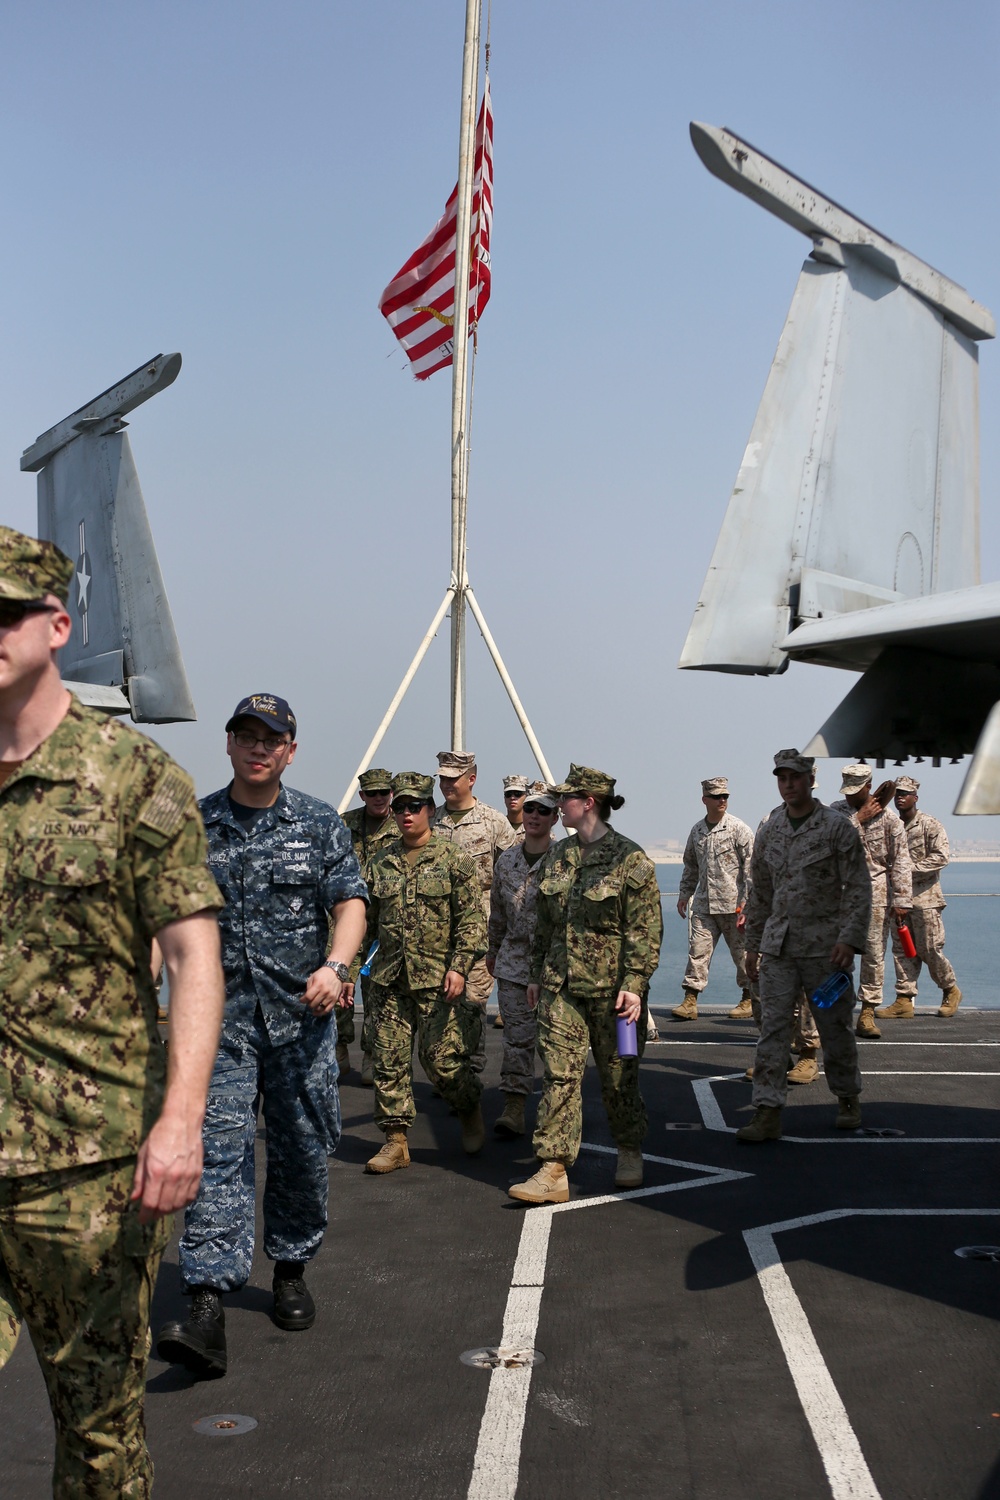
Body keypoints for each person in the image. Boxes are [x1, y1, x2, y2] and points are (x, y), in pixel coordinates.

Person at [0, 526, 226, 1495]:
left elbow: (191, 958)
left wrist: (179, 1124)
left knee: (95, 1428)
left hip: (80, 1164)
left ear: (56, 624)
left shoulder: (131, 778)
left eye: (5, 611)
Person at [157, 693, 367, 1378]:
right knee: (215, 1153)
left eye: (271, 739)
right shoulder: (197, 825)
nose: (258, 747)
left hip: (300, 1023)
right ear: (228, 745)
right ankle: (208, 1300)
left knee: (304, 1153)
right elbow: (166, 913)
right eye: (246, 736)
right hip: (217, 1026)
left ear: (290, 751)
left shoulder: (318, 823)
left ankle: (290, 1267)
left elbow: (350, 903)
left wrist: (337, 966)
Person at [509, 765, 662, 1204]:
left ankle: (629, 1150)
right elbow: (545, 923)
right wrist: (537, 973)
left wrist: (634, 984)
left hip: (617, 997)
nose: (559, 806)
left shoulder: (630, 859)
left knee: (621, 1077)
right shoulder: (559, 857)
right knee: (559, 1076)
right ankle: (553, 1167)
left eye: (566, 799)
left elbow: (645, 930)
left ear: (588, 802)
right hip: (563, 989)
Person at [738, 749, 872, 1142]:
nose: (789, 784)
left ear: (812, 779)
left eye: (795, 776)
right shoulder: (771, 828)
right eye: (782, 777)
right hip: (779, 949)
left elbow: (858, 888)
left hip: (827, 952)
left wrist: (849, 940)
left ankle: (848, 1097)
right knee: (773, 1031)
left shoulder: (836, 827)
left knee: (834, 1030)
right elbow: (759, 891)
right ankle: (767, 1110)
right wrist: (752, 945)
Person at [363, 772, 488, 1173]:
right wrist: (346, 972)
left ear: (429, 810)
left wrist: (459, 967)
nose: (405, 814)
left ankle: (468, 1107)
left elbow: (471, 920)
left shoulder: (454, 860)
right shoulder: (379, 862)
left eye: (414, 806)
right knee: (388, 1061)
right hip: (388, 979)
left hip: (438, 980)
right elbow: (362, 922)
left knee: (442, 1061)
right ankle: (395, 1140)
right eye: (399, 807)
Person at [432, 750, 516, 1067]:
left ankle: (471, 1065)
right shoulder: (429, 821)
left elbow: (513, 874)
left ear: (471, 779)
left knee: (473, 1000)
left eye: (453, 778)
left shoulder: (494, 822)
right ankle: (444, 1064)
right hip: (437, 925)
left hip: (481, 923)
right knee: (441, 999)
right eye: (442, 778)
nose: (446, 784)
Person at [487, 785, 561, 1137]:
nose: (534, 816)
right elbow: (497, 914)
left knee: (555, 1044)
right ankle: (514, 1106)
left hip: (555, 970)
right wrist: (492, 950)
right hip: (514, 964)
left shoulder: (566, 860)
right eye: (529, 809)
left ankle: (558, 1113)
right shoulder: (507, 861)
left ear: (555, 817)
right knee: (516, 1041)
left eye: (543, 811)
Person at [830, 764, 912, 1038]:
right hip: (838, 898)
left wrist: (901, 899)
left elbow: (900, 861)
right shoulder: (835, 812)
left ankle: (867, 1012)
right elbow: (826, 843)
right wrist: (859, 818)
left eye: (857, 790)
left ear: (869, 786)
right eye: (848, 791)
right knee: (834, 957)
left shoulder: (890, 821)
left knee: (874, 957)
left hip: (874, 898)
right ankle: (834, 1011)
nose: (851, 797)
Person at [881, 775, 963, 1019]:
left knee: (930, 949)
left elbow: (941, 857)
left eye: (905, 794)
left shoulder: (929, 824)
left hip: (925, 899)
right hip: (899, 901)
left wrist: (907, 870)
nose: (900, 798)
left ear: (915, 797)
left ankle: (950, 989)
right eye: (897, 794)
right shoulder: (892, 826)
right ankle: (904, 999)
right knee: (902, 950)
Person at [673, 776, 754, 1022]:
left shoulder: (739, 828)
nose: (722, 800)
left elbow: (752, 867)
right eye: (717, 796)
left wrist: (748, 903)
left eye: (725, 796)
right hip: (705, 905)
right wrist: (685, 893)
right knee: (698, 952)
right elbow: (691, 865)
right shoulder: (697, 831)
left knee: (742, 955)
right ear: (704, 800)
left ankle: (749, 998)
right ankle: (690, 1000)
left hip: (734, 905)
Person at [342, 767, 398, 1079]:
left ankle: (370, 1055)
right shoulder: (345, 825)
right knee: (339, 983)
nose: (378, 798)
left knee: (376, 991)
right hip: (344, 915)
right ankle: (339, 1048)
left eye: (384, 793)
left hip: (380, 919)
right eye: (372, 793)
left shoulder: (402, 825)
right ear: (362, 795)